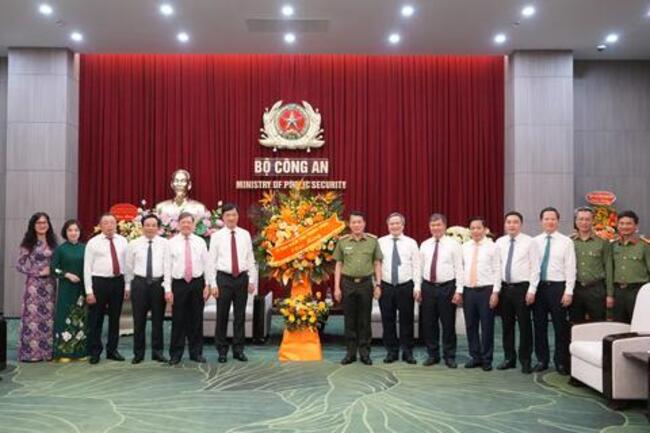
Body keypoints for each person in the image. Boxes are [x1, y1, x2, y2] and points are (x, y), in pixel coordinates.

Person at [209, 203, 257, 363]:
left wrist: (251, 280)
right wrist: (213, 284)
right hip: (223, 279)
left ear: (238, 216)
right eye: (228, 215)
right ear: (223, 218)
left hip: (241, 278)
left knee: (239, 316)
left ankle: (238, 350)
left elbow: (250, 258)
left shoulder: (245, 234)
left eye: (234, 215)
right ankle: (222, 350)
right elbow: (211, 261)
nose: (231, 218)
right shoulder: (216, 236)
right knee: (221, 316)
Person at [333, 211, 382, 365]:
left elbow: (377, 263)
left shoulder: (372, 241)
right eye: (353, 222)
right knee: (349, 320)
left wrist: (378, 284)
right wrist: (337, 288)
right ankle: (350, 353)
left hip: (366, 284)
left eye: (359, 222)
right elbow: (338, 264)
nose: (356, 225)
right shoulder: (342, 242)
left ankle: (365, 353)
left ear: (364, 223)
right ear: (349, 224)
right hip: (347, 284)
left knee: (364, 320)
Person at [165, 212, 214, 365]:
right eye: (183, 222)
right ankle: (175, 354)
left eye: (189, 222)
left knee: (196, 319)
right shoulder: (171, 243)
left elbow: (207, 264)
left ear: (193, 225)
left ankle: (196, 353)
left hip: (197, 283)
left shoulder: (200, 242)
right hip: (179, 284)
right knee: (178, 320)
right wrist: (168, 289)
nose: (186, 225)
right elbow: (167, 267)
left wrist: (208, 284)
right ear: (178, 225)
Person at [532, 207, 576, 375]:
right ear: (541, 221)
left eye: (553, 219)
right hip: (539, 288)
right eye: (546, 219)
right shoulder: (534, 241)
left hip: (558, 288)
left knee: (560, 327)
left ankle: (560, 361)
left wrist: (569, 291)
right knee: (539, 325)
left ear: (558, 221)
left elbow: (570, 268)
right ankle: (542, 360)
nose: (550, 222)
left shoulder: (566, 242)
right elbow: (532, 267)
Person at [495, 211, 539, 374]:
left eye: (515, 222)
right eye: (508, 222)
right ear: (505, 224)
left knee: (525, 326)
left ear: (521, 224)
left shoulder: (530, 242)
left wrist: (532, 290)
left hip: (522, 289)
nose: (511, 225)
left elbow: (535, 268)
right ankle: (509, 358)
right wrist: (496, 290)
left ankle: (525, 360)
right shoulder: (500, 242)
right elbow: (497, 267)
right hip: (505, 288)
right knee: (506, 325)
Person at [125, 214, 171, 364]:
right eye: (147, 225)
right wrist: (128, 285)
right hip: (139, 284)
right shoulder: (133, 244)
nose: (150, 228)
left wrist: (167, 288)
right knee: (139, 321)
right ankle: (138, 353)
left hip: (158, 285)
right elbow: (128, 267)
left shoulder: (165, 243)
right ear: (142, 226)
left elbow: (167, 266)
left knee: (158, 321)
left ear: (158, 227)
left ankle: (157, 352)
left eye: (153, 225)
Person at [420, 213, 463, 369]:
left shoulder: (454, 245)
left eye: (438, 225)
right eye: (433, 225)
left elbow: (459, 268)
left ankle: (449, 356)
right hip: (428, 288)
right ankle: (433, 354)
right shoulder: (424, 244)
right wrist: (418, 287)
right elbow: (420, 268)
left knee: (448, 324)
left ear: (444, 226)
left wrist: (459, 290)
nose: (435, 228)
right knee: (429, 323)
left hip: (447, 288)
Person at [84, 213, 128, 364]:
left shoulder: (123, 241)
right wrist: (89, 291)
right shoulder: (93, 242)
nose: (109, 226)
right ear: (100, 226)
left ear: (116, 225)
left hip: (118, 282)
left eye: (112, 223)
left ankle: (112, 350)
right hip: (99, 283)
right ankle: (95, 351)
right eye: (106, 223)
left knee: (115, 319)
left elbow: (126, 265)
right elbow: (87, 268)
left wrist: (127, 285)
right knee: (96, 318)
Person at [377, 212, 421, 364]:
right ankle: (391, 352)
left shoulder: (411, 243)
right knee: (387, 320)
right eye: (392, 223)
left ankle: (407, 352)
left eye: (397, 223)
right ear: (388, 226)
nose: (394, 226)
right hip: (386, 286)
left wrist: (417, 286)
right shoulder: (380, 242)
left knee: (406, 321)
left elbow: (417, 266)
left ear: (403, 225)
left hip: (405, 286)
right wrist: (377, 284)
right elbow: (376, 264)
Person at [16, 212, 58, 362]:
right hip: (34, 285)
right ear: (33, 225)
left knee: (48, 318)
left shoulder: (53, 242)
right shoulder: (28, 242)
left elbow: (57, 262)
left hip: (50, 285)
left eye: (45, 222)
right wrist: (37, 272)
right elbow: (19, 265)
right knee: (33, 318)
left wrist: (52, 270)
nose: (42, 225)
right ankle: (31, 354)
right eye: (39, 223)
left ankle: (46, 353)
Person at [461, 217, 500, 371]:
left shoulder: (493, 247)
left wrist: (495, 292)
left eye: (478, 228)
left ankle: (487, 359)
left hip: (486, 291)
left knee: (487, 326)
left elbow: (497, 270)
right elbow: (461, 269)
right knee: (470, 325)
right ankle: (475, 356)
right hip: (468, 291)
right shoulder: (464, 247)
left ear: (485, 230)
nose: (475, 231)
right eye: (473, 228)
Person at [51, 220, 87, 362]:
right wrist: (67, 274)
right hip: (66, 288)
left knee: (81, 318)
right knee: (65, 316)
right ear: (65, 232)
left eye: (76, 230)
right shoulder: (60, 249)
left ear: (80, 232)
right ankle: (63, 352)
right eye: (70, 230)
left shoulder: (85, 248)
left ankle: (80, 351)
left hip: (82, 288)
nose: (73, 233)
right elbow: (53, 268)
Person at [570, 207, 613, 324]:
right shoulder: (569, 241)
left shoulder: (602, 242)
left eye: (587, 219)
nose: (584, 222)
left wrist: (609, 294)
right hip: (576, 289)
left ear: (593, 221)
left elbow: (608, 267)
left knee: (598, 324)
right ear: (575, 221)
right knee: (576, 325)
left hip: (596, 289)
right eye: (581, 219)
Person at [611, 210, 650, 323]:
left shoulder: (644, 246)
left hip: (637, 291)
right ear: (617, 225)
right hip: (618, 292)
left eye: (629, 223)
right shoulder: (613, 246)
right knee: (619, 325)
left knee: (638, 323)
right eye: (622, 223)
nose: (625, 226)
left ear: (636, 226)